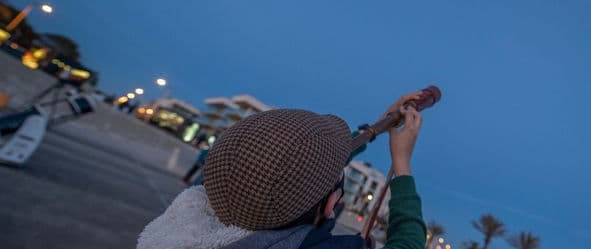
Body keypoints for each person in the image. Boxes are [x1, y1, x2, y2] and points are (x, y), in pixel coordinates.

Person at [137, 93, 427, 249]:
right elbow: (409, 243)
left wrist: (380, 123)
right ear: (329, 207)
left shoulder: (187, 223)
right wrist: (402, 165)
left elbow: (291, 163)